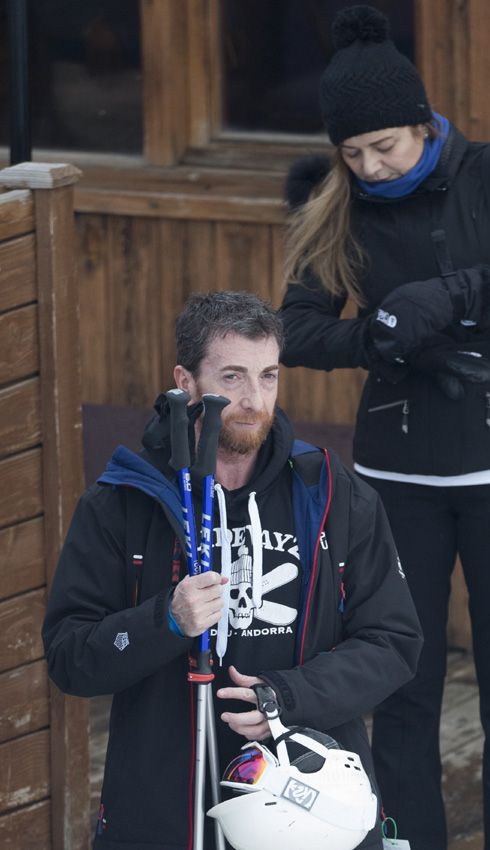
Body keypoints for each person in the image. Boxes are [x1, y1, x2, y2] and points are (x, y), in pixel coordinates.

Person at [280, 6, 490, 850]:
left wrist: (457, 295)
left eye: (385, 145)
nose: (371, 166)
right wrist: (381, 341)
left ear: (423, 122)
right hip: (398, 476)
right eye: (353, 153)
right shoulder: (336, 202)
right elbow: (298, 328)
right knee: (403, 686)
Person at [42, 290, 423, 850]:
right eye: (233, 377)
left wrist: (288, 699)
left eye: (268, 376)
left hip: (308, 810)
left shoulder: (333, 493)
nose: (253, 399)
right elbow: (70, 656)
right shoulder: (123, 501)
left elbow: (395, 641)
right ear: (186, 381)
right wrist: (163, 621)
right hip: (164, 815)